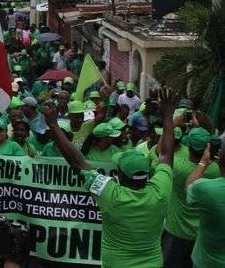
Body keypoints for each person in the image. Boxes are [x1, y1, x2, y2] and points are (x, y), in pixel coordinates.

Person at [44, 88, 177, 267]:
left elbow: (77, 162)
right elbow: (167, 155)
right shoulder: (161, 190)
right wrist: (169, 116)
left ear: (120, 176)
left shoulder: (111, 195)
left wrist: (53, 125)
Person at [161, 127, 220, 268]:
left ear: (189, 147)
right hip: (200, 237)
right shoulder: (216, 170)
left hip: (175, 233)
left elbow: (162, 152)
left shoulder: (178, 166)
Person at [184, 141, 225, 268]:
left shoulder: (205, 188)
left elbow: (188, 188)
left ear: (218, 159)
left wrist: (204, 161)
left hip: (206, 261)